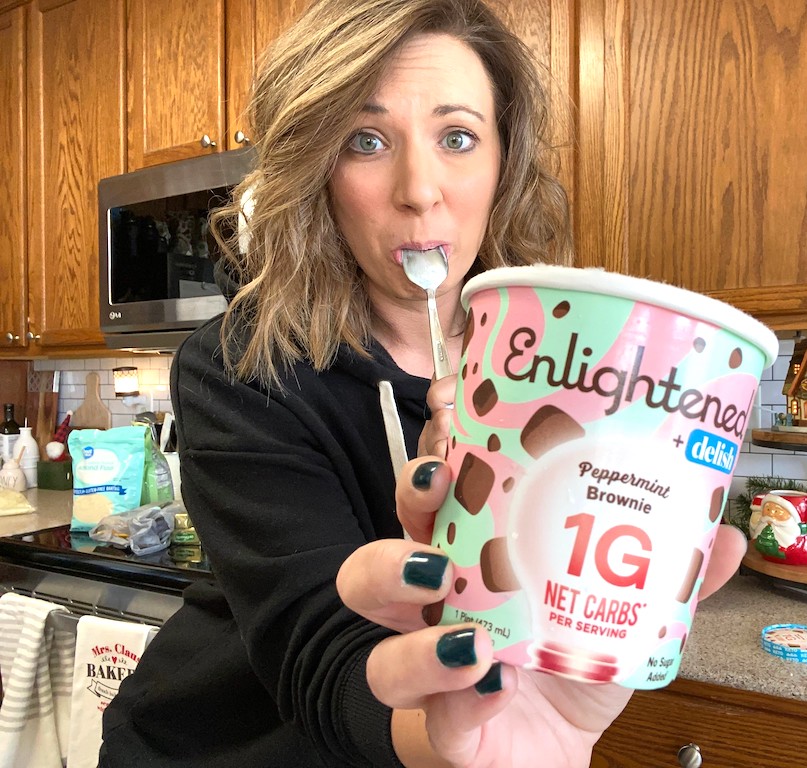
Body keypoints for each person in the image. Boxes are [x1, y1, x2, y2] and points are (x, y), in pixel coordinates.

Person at [98, 1, 747, 766]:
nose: (419, 189)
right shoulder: (241, 368)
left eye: (458, 137)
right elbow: (316, 646)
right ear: (319, 173)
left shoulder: (568, 377)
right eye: (366, 141)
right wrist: (438, 742)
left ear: (503, 163)